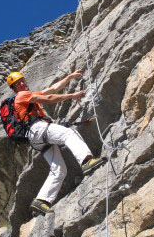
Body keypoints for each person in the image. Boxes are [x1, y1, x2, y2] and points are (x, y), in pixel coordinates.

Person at [6, 70, 106, 215]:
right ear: (14, 89)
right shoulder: (22, 96)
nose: (22, 83)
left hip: (36, 139)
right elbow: (50, 97)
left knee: (59, 170)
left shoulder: (27, 96)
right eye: (18, 83)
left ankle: (41, 201)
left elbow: (52, 89)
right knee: (68, 133)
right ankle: (86, 162)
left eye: (22, 80)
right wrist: (72, 96)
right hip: (38, 129)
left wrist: (70, 77)